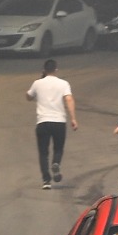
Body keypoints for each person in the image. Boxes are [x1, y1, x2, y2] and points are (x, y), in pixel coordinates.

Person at [26, 57, 77, 187]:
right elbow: (69, 100)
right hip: (59, 122)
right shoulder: (63, 84)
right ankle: (56, 163)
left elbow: (28, 96)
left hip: (42, 122)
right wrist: (73, 118)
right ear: (56, 70)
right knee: (58, 148)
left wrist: (35, 91)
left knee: (43, 152)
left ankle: (46, 181)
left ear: (44, 70)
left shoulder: (37, 83)